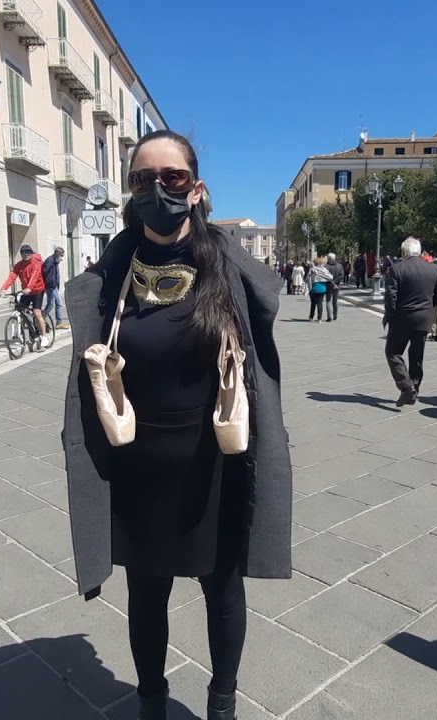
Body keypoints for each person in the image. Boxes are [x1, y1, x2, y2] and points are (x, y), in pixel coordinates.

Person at [62, 130, 292, 720]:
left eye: (173, 177)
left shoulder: (226, 267)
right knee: (146, 592)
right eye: (144, 179)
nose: (158, 189)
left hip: (216, 456)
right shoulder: (112, 274)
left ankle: (222, 703)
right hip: (138, 461)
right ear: (129, 191)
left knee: (222, 587)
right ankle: (152, 702)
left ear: (196, 188)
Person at [382, 237, 437, 407]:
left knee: (393, 353)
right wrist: (427, 306)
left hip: (402, 318)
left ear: (404, 252)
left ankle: (406, 386)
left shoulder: (397, 269)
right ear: (418, 251)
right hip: (424, 318)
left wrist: (389, 316)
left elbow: (391, 298)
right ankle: (414, 389)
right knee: (417, 356)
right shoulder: (433, 269)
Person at [0, 244, 50, 349]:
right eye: (23, 253)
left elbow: (34, 276)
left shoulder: (36, 264)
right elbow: (12, 276)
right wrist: (3, 289)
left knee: (37, 312)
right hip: (26, 292)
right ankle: (21, 336)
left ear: (31, 253)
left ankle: (44, 336)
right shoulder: (19, 265)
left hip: (37, 290)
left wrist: (29, 288)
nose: (26, 254)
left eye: (28, 252)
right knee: (20, 312)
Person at [41, 246, 69, 330]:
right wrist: (48, 282)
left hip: (54, 286)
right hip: (51, 285)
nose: (61, 257)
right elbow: (45, 270)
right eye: (61, 255)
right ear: (57, 253)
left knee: (55, 303)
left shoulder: (54, 260)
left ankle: (56, 321)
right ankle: (43, 316)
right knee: (54, 303)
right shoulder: (51, 260)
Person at [306, 257, 332, 322]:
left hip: (313, 288)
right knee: (320, 303)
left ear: (314, 263)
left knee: (313, 303)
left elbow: (307, 278)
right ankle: (319, 318)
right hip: (322, 288)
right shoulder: (324, 270)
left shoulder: (312, 269)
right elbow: (330, 277)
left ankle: (311, 317)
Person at [324, 252, 343, 321]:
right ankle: (335, 315)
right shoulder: (339, 266)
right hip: (336, 286)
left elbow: (325, 276)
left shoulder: (326, 266)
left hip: (328, 285)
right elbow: (341, 275)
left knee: (328, 300)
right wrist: (335, 282)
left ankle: (329, 317)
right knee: (335, 301)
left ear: (328, 258)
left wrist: (332, 282)